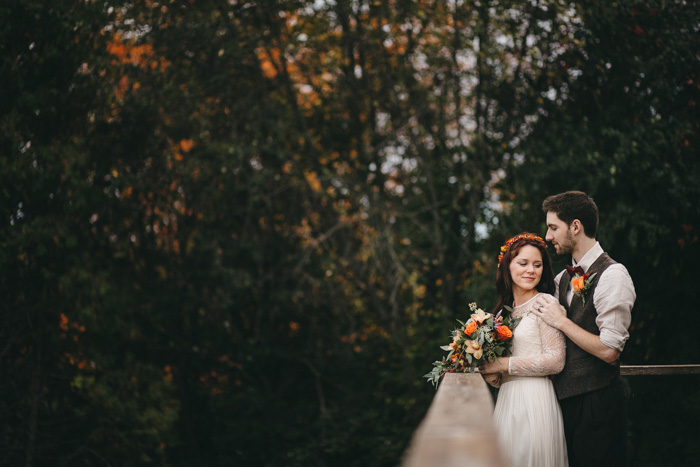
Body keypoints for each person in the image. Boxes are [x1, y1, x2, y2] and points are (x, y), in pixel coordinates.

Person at [532, 191, 635, 467]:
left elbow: (610, 350)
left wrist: (562, 321)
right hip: (563, 403)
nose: (548, 236)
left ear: (575, 226)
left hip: (597, 405)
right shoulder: (561, 279)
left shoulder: (613, 275)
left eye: (553, 227)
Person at [480, 233, 568, 467]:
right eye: (523, 263)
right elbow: (500, 372)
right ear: (507, 266)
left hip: (536, 400)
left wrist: (502, 364)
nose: (531, 270)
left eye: (537, 265)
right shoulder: (501, 315)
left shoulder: (545, 304)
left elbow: (556, 361)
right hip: (508, 400)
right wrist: (490, 373)